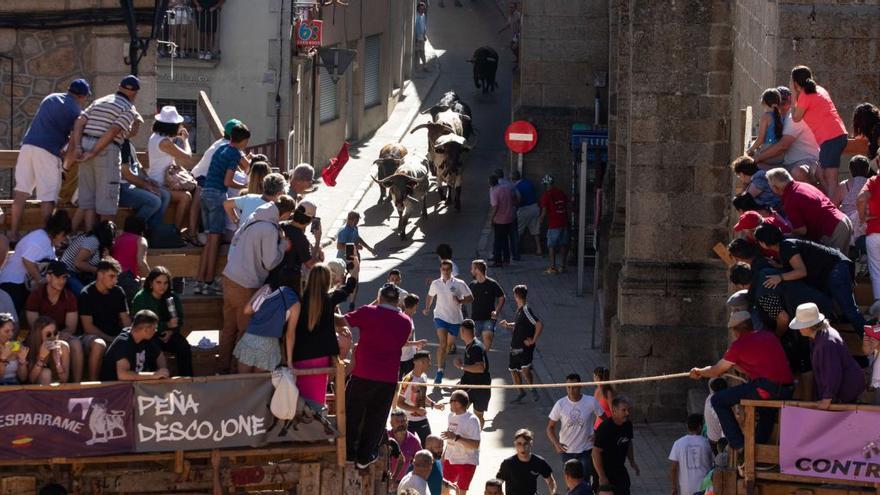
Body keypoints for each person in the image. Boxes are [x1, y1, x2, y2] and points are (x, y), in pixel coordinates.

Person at [689, 311, 794, 450]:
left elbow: (716, 370)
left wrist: (699, 372)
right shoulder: (769, 336)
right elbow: (761, 366)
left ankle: (739, 444)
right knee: (765, 410)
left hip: (767, 388)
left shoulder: (738, 346)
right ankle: (758, 448)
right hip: (787, 389)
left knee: (718, 400)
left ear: (736, 331)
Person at [217, 197, 295, 373]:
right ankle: (237, 375)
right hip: (246, 283)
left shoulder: (255, 216)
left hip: (229, 277)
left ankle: (221, 370)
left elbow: (236, 240)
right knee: (246, 332)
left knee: (228, 327)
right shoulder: (270, 229)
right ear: (286, 212)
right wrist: (283, 246)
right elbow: (270, 263)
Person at [339, 282, 412, 468]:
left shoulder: (368, 312)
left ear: (380, 297)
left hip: (363, 374)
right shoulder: (406, 322)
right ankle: (364, 457)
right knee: (377, 417)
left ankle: (348, 453)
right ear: (397, 301)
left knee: (353, 412)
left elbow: (342, 321)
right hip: (387, 379)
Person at [10, 79, 90, 241]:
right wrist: (65, 168)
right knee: (48, 197)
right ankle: (47, 238)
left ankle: (12, 233)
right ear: (82, 97)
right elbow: (73, 146)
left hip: (27, 146)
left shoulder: (50, 98)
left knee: (20, 193)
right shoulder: (76, 112)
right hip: (47, 151)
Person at [755, 223, 866, 332]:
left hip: (835, 269)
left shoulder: (786, 246)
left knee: (849, 310)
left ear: (763, 243)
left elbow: (801, 271)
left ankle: (871, 340)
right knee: (844, 311)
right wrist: (779, 266)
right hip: (833, 270)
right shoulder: (786, 243)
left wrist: (780, 277)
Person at [72, 75, 142, 232]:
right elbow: (113, 131)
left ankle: (90, 239)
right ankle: (103, 245)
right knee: (107, 204)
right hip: (106, 150)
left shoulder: (99, 101)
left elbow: (79, 122)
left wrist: (78, 147)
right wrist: (94, 151)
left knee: (88, 201)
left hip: (84, 145)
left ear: (119, 86)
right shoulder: (129, 109)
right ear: (135, 93)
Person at [293, 260, 359, 404]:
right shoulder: (329, 300)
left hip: (299, 355)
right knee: (316, 399)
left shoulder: (299, 301)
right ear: (327, 281)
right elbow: (349, 288)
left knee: (299, 397)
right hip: (321, 356)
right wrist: (355, 268)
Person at [197, 122, 251, 295]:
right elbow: (227, 182)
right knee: (214, 241)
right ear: (243, 141)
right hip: (217, 195)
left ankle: (200, 281)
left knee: (208, 241)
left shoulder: (221, 148)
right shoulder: (234, 153)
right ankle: (209, 281)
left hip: (205, 194)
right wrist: (246, 186)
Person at [790, 65, 849, 198]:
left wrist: (793, 94)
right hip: (835, 136)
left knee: (830, 176)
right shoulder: (819, 89)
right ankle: (828, 200)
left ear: (794, 83)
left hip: (832, 138)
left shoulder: (805, 95)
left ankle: (833, 205)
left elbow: (795, 118)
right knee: (820, 174)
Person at [789, 303, 865, 406]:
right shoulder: (821, 336)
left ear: (809, 326)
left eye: (801, 325)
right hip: (844, 390)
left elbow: (832, 371)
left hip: (845, 392)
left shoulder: (826, 343)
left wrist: (827, 398)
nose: (799, 329)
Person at [147, 105, 201, 244]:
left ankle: (184, 230)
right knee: (186, 197)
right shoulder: (164, 142)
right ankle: (176, 230)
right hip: (161, 183)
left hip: (158, 179)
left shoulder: (155, 137)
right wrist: (186, 140)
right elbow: (187, 156)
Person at [0, 210, 71, 313]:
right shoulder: (40, 239)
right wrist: (40, 280)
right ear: (58, 232)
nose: (64, 239)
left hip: (24, 285)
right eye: (64, 235)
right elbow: (27, 260)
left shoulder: (47, 241)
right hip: (13, 283)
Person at [766, 167, 852, 252]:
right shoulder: (802, 185)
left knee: (836, 264)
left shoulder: (790, 199)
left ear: (775, 187)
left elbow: (801, 230)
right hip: (842, 221)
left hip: (832, 230)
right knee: (844, 262)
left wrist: (784, 235)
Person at [25, 261, 84, 382]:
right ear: (48, 277)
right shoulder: (35, 296)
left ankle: (77, 385)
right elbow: (34, 326)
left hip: (60, 335)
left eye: (64, 277)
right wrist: (48, 339)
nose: (62, 280)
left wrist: (55, 338)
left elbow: (71, 328)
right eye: (58, 277)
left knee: (76, 343)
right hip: (39, 336)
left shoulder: (70, 297)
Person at [131, 267, 193, 376]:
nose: (162, 286)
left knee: (183, 346)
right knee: (152, 351)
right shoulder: (141, 298)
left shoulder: (172, 298)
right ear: (151, 283)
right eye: (158, 282)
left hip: (169, 334)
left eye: (165, 283)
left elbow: (180, 320)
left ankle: (186, 379)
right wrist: (166, 325)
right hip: (147, 336)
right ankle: (155, 382)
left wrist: (172, 331)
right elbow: (139, 323)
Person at [753, 86, 820, 184]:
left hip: (803, 161)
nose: (782, 106)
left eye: (785, 102)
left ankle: (809, 195)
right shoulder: (779, 118)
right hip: (785, 163)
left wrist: (757, 157)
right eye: (780, 103)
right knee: (756, 168)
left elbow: (783, 146)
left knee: (798, 172)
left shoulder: (794, 117)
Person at [79, 258, 131, 381]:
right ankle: (93, 384)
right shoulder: (86, 294)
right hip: (90, 337)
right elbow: (88, 327)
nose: (115, 280)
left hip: (115, 336)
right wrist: (110, 339)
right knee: (99, 344)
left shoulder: (118, 292)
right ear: (100, 274)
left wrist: (130, 336)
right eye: (111, 276)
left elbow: (125, 320)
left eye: (116, 277)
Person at [547, 373, 606, 483]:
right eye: (568, 387)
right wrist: (556, 443)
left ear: (580, 386)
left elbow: (605, 419)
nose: (571, 390)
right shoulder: (560, 404)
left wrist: (597, 433)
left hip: (586, 450)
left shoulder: (591, 401)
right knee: (571, 482)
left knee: (585, 481)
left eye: (574, 387)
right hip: (566, 451)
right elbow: (550, 427)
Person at [423, 259, 473, 384]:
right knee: (443, 343)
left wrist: (461, 301)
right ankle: (440, 372)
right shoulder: (435, 283)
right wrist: (427, 308)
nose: (445, 271)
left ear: (451, 270)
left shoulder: (459, 283)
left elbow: (471, 298)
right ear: (440, 269)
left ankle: (442, 360)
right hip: (440, 317)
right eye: (443, 269)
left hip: (455, 319)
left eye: (447, 269)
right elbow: (430, 296)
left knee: (449, 345)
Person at [498, 284, 542, 403]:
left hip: (524, 347)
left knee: (525, 370)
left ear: (516, 295)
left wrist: (533, 340)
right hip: (514, 346)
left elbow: (539, 324)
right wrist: (508, 325)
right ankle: (521, 392)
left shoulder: (526, 310)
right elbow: (519, 325)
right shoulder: (520, 310)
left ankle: (532, 389)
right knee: (513, 369)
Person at [99, 309, 170, 381]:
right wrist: (154, 375)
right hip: (115, 387)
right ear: (145, 330)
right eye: (154, 328)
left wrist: (163, 371)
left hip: (134, 385)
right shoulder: (123, 343)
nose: (156, 331)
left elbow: (159, 355)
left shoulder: (146, 338)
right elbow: (123, 375)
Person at [270, 201, 323, 294]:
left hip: (271, 274)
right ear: (310, 220)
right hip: (287, 284)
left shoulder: (281, 225)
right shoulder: (301, 239)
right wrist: (318, 240)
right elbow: (310, 265)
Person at [118, 138, 172, 230]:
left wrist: (147, 179)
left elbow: (137, 164)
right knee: (154, 201)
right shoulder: (121, 143)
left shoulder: (129, 143)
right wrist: (148, 186)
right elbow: (127, 175)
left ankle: (154, 230)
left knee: (165, 195)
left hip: (134, 185)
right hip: (122, 188)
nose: (137, 127)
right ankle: (132, 231)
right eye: (135, 124)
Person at [592, 396, 639, 495]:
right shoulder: (605, 428)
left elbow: (628, 442)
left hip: (619, 468)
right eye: (624, 410)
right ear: (614, 411)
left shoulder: (627, 425)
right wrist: (602, 476)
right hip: (605, 471)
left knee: (625, 489)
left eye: (628, 410)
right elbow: (595, 453)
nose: (627, 413)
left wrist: (632, 461)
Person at [441, 390, 482, 495]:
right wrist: (444, 456)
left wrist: (457, 438)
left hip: (467, 462)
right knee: (443, 489)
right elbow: (450, 438)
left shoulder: (472, 420)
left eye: (451, 400)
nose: (450, 402)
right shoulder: (451, 416)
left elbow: (475, 445)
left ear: (458, 403)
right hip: (450, 460)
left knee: (460, 492)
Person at [60, 220, 116, 294]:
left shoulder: (98, 244)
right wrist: (97, 270)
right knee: (84, 295)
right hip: (67, 271)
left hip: (77, 274)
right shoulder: (93, 240)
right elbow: (78, 263)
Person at [399, 350, 442, 445]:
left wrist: (433, 404)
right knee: (408, 448)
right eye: (428, 361)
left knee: (428, 445)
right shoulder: (408, 380)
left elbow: (422, 395)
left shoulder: (424, 376)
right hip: (409, 421)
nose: (430, 364)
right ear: (421, 362)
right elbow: (399, 403)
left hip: (422, 418)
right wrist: (416, 410)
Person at [497, 428, 556, 495]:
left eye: (526, 443)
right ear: (515, 444)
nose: (523, 447)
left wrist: (553, 493)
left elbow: (550, 482)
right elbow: (498, 483)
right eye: (519, 444)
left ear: (531, 444)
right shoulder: (508, 463)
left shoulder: (539, 462)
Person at [454, 319, 491, 427]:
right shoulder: (472, 345)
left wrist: (461, 366)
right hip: (471, 386)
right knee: (459, 411)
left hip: (479, 388)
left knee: (478, 415)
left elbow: (480, 368)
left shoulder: (476, 347)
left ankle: (476, 439)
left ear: (462, 330)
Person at [833, 155, 871, 256]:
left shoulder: (844, 185)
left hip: (848, 229)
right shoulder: (872, 184)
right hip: (868, 226)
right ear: (867, 169)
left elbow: (832, 208)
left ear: (850, 170)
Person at [668, 414, 713, 495]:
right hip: (704, 488)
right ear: (700, 427)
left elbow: (673, 468)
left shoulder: (678, 443)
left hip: (686, 488)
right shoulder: (706, 443)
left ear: (687, 426)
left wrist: (674, 487)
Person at [468, 259, 505, 350]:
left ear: (477, 270)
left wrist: (497, 311)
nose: (471, 271)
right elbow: (466, 298)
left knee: (487, 336)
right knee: (472, 343)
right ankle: (478, 358)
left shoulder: (492, 284)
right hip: (475, 318)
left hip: (489, 318)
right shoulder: (472, 285)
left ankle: (484, 356)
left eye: (472, 268)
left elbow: (502, 297)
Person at [111, 216, 150, 299]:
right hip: (126, 279)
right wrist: (151, 279)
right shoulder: (141, 240)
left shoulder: (117, 238)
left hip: (110, 277)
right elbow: (141, 262)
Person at [746, 88, 785, 169]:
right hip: (780, 156)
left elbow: (761, 139)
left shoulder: (765, 117)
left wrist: (750, 149)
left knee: (750, 149)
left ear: (763, 102)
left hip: (768, 154)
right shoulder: (781, 116)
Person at [25, 315, 71, 385]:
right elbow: (31, 379)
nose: (52, 337)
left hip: (56, 386)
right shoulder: (30, 347)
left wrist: (58, 363)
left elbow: (64, 379)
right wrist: (41, 358)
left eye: (55, 333)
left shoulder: (63, 347)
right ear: (38, 335)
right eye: (48, 334)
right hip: (38, 387)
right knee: (46, 373)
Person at [857, 165, 880, 301]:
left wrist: (862, 217)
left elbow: (860, 199)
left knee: (877, 273)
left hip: (875, 232)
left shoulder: (873, 181)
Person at [539, 174, 570, 274]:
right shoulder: (561, 192)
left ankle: (552, 267)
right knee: (563, 244)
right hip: (564, 221)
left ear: (546, 185)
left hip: (554, 223)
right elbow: (567, 204)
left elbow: (544, 211)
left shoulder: (546, 196)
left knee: (551, 245)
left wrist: (540, 221)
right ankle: (563, 266)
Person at [388, 410, 423, 486]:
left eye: (403, 421)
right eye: (397, 421)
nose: (401, 424)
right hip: (385, 482)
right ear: (391, 424)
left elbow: (422, 460)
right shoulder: (385, 438)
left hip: (402, 483)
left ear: (407, 422)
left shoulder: (414, 441)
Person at [512, 170, 542, 255]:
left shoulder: (516, 187)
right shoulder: (529, 183)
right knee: (535, 230)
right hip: (535, 207)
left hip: (524, 209)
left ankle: (516, 249)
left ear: (513, 178)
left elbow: (518, 199)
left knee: (518, 231)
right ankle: (539, 249)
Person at [489, 174, 517, 267]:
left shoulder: (494, 191)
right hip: (510, 218)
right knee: (505, 240)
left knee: (498, 241)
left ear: (490, 183)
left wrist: (491, 218)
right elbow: (515, 198)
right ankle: (506, 259)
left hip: (500, 220)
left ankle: (498, 261)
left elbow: (495, 206)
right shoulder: (506, 189)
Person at [0, 313, 29, 385]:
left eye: (12, 330)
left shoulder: (16, 346)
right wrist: (3, 358)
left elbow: (23, 378)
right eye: (7, 331)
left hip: (14, 385)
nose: (11, 334)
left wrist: (22, 361)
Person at [704, 378, 727, 453]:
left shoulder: (709, 398)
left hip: (712, 438)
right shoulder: (718, 405)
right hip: (718, 442)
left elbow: (711, 381)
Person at [413, 2, 428, 71]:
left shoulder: (423, 15)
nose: (422, 10)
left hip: (422, 36)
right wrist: (416, 37)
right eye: (421, 9)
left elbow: (424, 25)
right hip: (417, 37)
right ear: (418, 9)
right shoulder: (416, 16)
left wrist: (424, 35)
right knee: (417, 52)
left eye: (423, 9)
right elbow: (415, 27)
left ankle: (425, 66)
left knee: (422, 52)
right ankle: (417, 66)